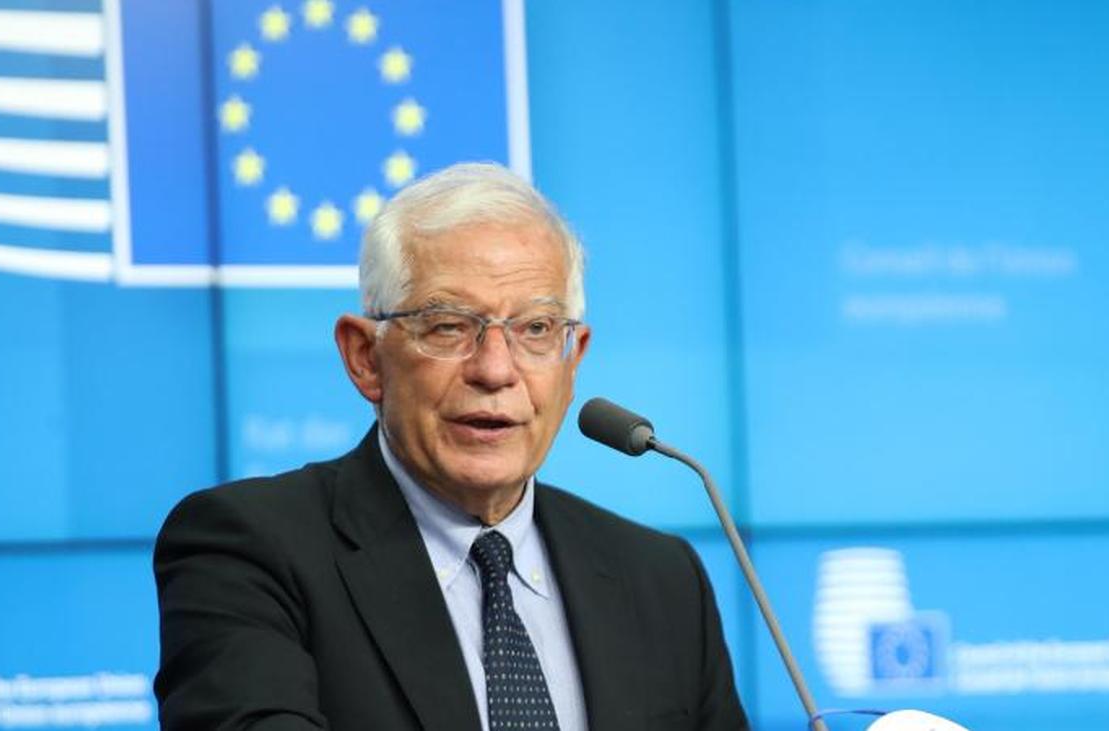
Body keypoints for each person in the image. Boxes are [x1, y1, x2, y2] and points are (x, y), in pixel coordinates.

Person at [152, 162, 749, 730]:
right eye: (448, 327)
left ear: (573, 362)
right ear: (365, 358)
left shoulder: (661, 579)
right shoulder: (247, 549)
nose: (496, 370)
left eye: (536, 329)